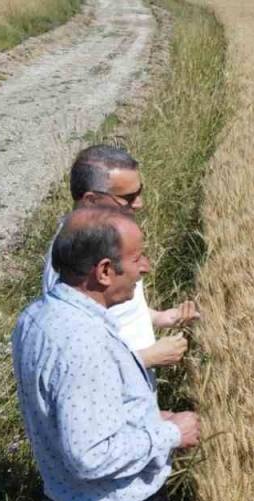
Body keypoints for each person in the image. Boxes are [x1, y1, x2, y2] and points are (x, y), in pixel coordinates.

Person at [12, 206, 201, 501]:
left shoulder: (38, 316)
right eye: (138, 258)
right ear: (103, 270)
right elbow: (91, 456)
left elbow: (76, 413)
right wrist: (172, 433)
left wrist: (148, 417)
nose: (145, 267)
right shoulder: (83, 342)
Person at [42, 145, 199, 368]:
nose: (139, 203)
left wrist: (158, 317)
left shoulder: (108, 240)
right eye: (128, 197)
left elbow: (114, 311)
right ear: (91, 201)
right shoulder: (70, 262)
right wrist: (147, 359)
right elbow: (75, 363)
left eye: (140, 192)